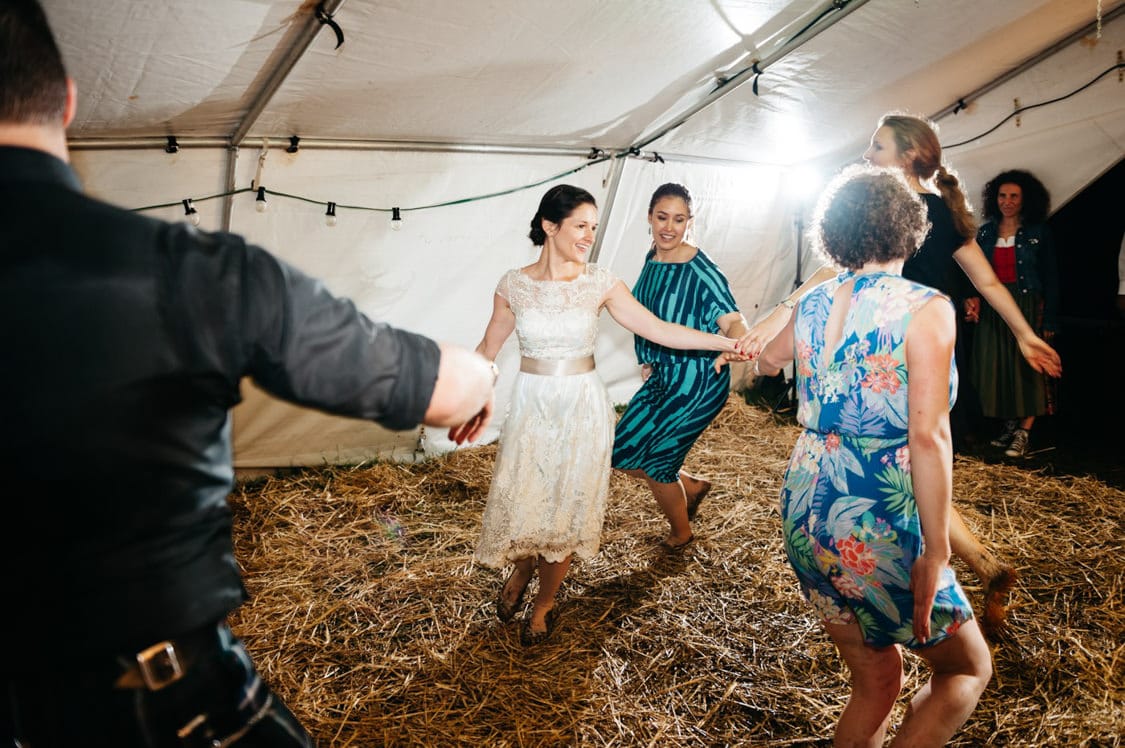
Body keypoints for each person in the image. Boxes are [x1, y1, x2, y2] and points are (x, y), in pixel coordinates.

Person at [0, 2, 496, 744]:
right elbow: (442, 388)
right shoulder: (195, 273)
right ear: (68, 99)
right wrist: (482, 376)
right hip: (151, 703)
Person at [743, 113, 1064, 638]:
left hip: (907, 351)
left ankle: (944, 566)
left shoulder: (927, 215)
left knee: (912, 455)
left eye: (879, 146)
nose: (869, 154)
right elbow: (828, 279)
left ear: (910, 154)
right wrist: (775, 318)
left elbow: (985, 281)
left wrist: (1026, 333)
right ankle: (970, 563)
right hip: (891, 353)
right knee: (910, 460)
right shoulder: (877, 215)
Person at [756, 164, 993, 746]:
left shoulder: (812, 301)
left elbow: (765, 359)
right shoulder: (924, 307)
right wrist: (936, 551)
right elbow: (929, 436)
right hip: (875, 504)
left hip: (807, 498)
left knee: (876, 677)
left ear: (833, 234)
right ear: (912, 229)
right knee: (966, 668)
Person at [459, 184, 743, 645]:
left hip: (581, 407)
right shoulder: (513, 284)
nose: (589, 236)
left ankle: (545, 602)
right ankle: (522, 568)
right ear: (550, 226)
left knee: (565, 506)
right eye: (580, 226)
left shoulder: (600, 282)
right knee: (529, 495)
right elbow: (488, 348)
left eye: (594, 227)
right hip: (532, 405)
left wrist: (728, 343)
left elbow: (659, 329)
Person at [611, 183, 748, 550]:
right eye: (662, 217)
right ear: (650, 218)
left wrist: (737, 342)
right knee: (620, 452)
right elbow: (648, 317)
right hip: (662, 376)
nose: (669, 227)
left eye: (679, 219)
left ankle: (682, 533)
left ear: (690, 221)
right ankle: (689, 484)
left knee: (657, 465)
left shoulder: (700, 269)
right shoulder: (652, 258)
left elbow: (734, 320)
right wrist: (647, 358)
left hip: (699, 380)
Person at [968, 170, 1059, 458]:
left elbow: (1052, 278)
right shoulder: (984, 233)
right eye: (1002, 196)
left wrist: (1050, 318)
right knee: (997, 367)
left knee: (1028, 367)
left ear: (1025, 200)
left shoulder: (1038, 232)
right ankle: (1009, 425)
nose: (1007, 202)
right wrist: (970, 299)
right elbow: (972, 274)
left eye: (1014, 196)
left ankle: (1025, 432)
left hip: (1028, 304)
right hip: (996, 307)